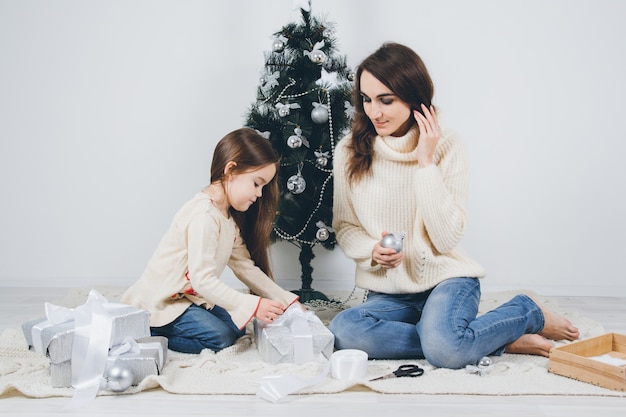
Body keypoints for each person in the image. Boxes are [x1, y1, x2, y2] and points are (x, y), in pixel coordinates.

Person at [328, 42, 579, 369]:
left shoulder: (447, 145)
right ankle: (487, 338)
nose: (374, 112)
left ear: (413, 96)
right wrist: (371, 250)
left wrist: (425, 164)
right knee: (343, 332)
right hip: (388, 294)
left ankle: (524, 311)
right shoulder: (349, 150)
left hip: (447, 282)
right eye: (366, 99)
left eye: (386, 100)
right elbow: (345, 227)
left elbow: (447, 238)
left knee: (444, 350)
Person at [122, 128, 299, 354]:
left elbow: (245, 267)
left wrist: (286, 300)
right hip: (163, 302)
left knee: (237, 327)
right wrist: (253, 305)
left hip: (189, 298)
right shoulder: (203, 216)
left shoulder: (227, 218)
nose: (260, 194)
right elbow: (202, 279)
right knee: (220, 338)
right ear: (230, 170)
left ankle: (175, 326)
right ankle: (145, 331)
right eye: (256, 184)